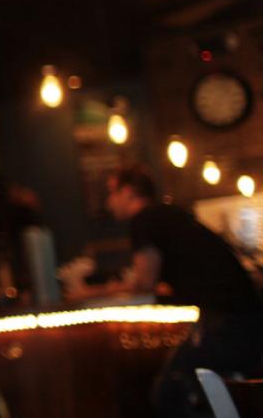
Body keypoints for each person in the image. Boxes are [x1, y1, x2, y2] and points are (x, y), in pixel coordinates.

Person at [71, 166, 263, 418]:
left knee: (172, 390)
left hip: (228, 320)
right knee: (198, 388)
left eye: (111, 193)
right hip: (244, 318)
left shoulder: (144, 220)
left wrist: (87, 293)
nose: (109, 202)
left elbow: (144, 283)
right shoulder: (169, 215)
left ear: (128, 192)